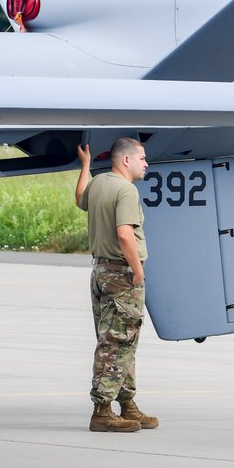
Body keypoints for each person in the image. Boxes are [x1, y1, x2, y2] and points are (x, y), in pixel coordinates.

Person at [75, 138, 158, 433]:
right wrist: (137, 272)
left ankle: (127, 404)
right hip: (120, 273)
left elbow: (80, 198)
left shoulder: (99, 183)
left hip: (100, 271)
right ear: (126, 160)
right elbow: (125, 235)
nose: (146, 163)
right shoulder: (126, 190)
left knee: (123, 341)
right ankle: (102, 410)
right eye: (142, 158)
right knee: (116, 342)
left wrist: (85, 166)